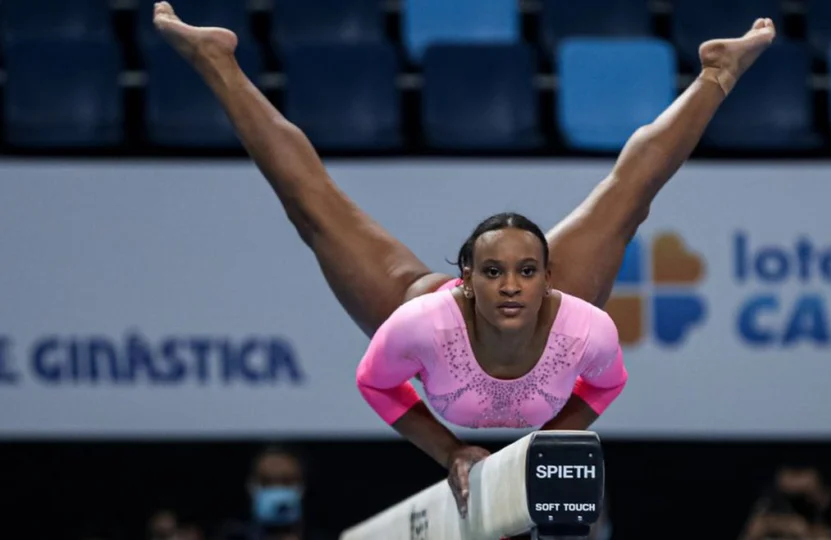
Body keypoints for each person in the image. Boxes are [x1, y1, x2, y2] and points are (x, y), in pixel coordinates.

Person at [151, 0, 776, 522]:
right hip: (422, 306)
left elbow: (610, 382)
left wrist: (557, 433)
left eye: (527, 271)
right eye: (493, 273)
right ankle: (217, 60)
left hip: (547, 329)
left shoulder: (581, 325)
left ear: (548, 277)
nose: (510, 287)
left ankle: (717, 72)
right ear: (467, 282)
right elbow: (376, 383)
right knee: (313, 209)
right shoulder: (421, 322)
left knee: (627, 196)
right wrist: (451, 452)